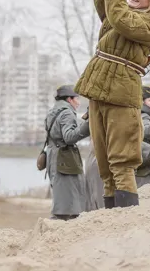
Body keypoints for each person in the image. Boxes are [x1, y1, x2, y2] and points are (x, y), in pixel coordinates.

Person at [74, 0, 150, 208]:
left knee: (122, 163)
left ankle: (127, 221)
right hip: (99, 92)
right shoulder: (115, 15)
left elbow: (121, 18)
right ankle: (111, 220)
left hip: (122, 97)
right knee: (104, 165)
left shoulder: (149, 25)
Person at [44, 85, 91, 220]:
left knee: (62, 197)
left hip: (54, 156)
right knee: (68, 202)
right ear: (70, 99)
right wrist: (88, 125)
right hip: (64, 160)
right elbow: (69, 137)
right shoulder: (66, 113)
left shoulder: (53, 111)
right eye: (77, 99)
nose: (79, 102)